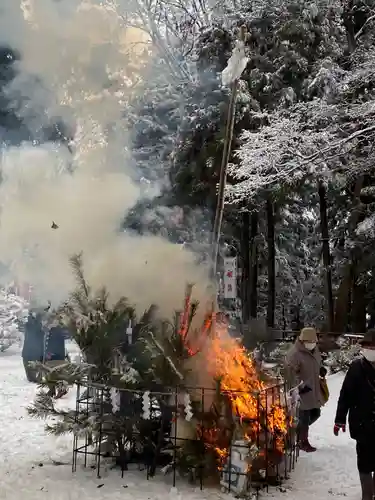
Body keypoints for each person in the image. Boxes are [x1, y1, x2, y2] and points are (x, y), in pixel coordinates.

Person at [334, 330, 375, 500]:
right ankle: (367, 495)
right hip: (362, 424)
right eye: (367, 346)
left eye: (373, 346)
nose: (370, 349)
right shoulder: (356, 368)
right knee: (364, 462)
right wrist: (339, 419)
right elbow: (346, 395)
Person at [285, 326, 327, 452]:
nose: (312, 344)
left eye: (314, 342)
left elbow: (316, 363)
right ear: (303, 341)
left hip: (314, 388)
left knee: (315, 413)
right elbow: (290, 373)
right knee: (303, 417)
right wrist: (299, 386)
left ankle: (293, 434)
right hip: (302, 391)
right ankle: (302, 441)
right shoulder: (294, 354)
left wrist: (321, 369)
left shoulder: (315, 350)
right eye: (309, 342)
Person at [21, 310, 45, 383]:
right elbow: (35, 327)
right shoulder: (30, 326)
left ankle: (35, 377)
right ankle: (34, 378)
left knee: (34, 374)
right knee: (32, 375)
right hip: (31, 353)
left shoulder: (35, 327)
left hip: (34, 353)